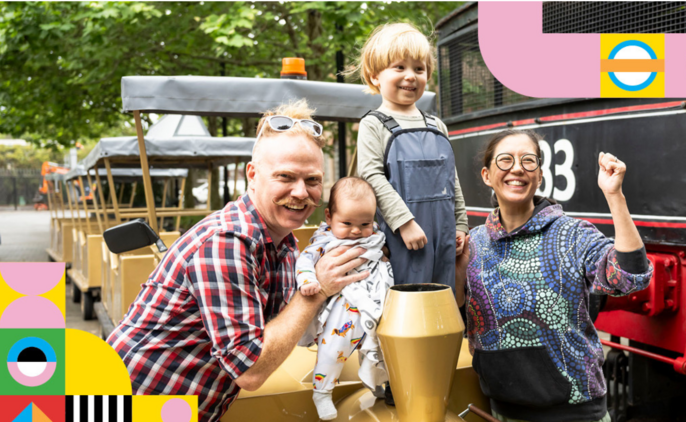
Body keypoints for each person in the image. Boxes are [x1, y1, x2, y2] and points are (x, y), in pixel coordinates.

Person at [106, 100, 369, 422]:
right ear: (253, 175)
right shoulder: (225, 243)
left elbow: (300, 326)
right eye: (285, 177)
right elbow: (250, 370)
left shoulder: (284, 244)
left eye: (312, 180)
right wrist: (318, 289)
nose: (301, 192)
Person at [455, 130, 653, 422]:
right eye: (505, 160)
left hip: (574, 413)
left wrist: (615, 196)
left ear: (540, 177)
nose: (518, 168)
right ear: (487, 175)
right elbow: (458, 316)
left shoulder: (571, 235)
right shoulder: (474, 244)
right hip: (502, 410)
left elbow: (629, 277)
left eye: (528, 161)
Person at [354, 22, 469, 291]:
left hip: (444, 236)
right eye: (399, 67)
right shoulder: (373, 125)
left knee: (443, 304)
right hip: (401, 238)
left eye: (419, 69)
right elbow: (371, 178)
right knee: (406, 306)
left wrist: (461, 224)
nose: (411, 76)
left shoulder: (437, 125)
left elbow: (451, 179)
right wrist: (404, 223)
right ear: (374, 76)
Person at [295, 176, 393, 420]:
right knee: (332, 351)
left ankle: (378, 384)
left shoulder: (375, 238)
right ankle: (322, 392)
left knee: (380, 348)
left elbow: (382, 252)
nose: (357, 231)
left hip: (375, 303)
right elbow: (304, 260)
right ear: (329, 217)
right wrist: (308, 280)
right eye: (347, 222)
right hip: (343, 309)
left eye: (365, 223)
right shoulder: (325, 242)